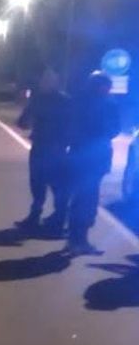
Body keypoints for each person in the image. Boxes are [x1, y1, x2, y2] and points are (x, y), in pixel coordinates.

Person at [65, 71, 121, 255]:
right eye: (105, 86)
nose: (107, 89)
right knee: (84, 200)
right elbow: (75, 128)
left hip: (94, 158)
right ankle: (76, 240)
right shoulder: (84, 102)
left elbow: (115, 128)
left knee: (86, 200)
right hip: (85, 157)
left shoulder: (104, 103)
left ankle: (79, 240)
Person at [15, 68, 72, 232]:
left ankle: (59, 218)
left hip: (55, 149)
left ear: (55, 82)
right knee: (38, 184)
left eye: (48, 80)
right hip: (42, 147)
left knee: (56, 186)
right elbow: (23, 122)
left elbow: (70, 124)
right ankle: (39, 216)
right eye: (43, 80)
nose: (44, 83)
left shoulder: (63, 101)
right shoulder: (40, 99)